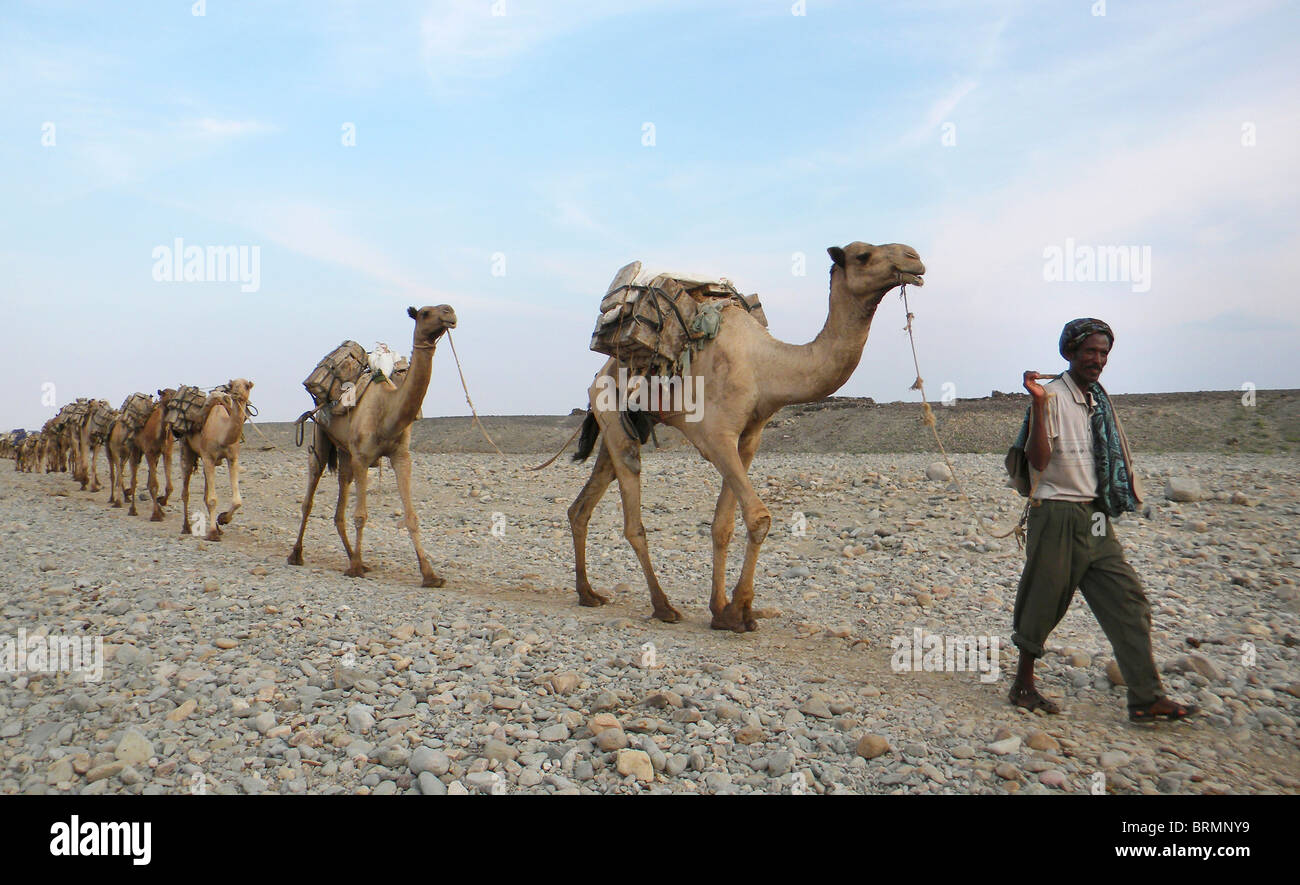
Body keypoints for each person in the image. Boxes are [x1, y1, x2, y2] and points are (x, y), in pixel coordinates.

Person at [1007, 318, 1198, 723]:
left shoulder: (1096, 398)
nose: (1098, 360)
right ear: (1070, 353)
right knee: (1043, 601)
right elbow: (1038, 460)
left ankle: (1146, 697)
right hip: (1057, 512)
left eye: (1104, 353)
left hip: (1094, 517)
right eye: (1090, 351)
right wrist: (1038, 405)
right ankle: (1023, 685)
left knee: (1128, 602)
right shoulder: (1053, 396)